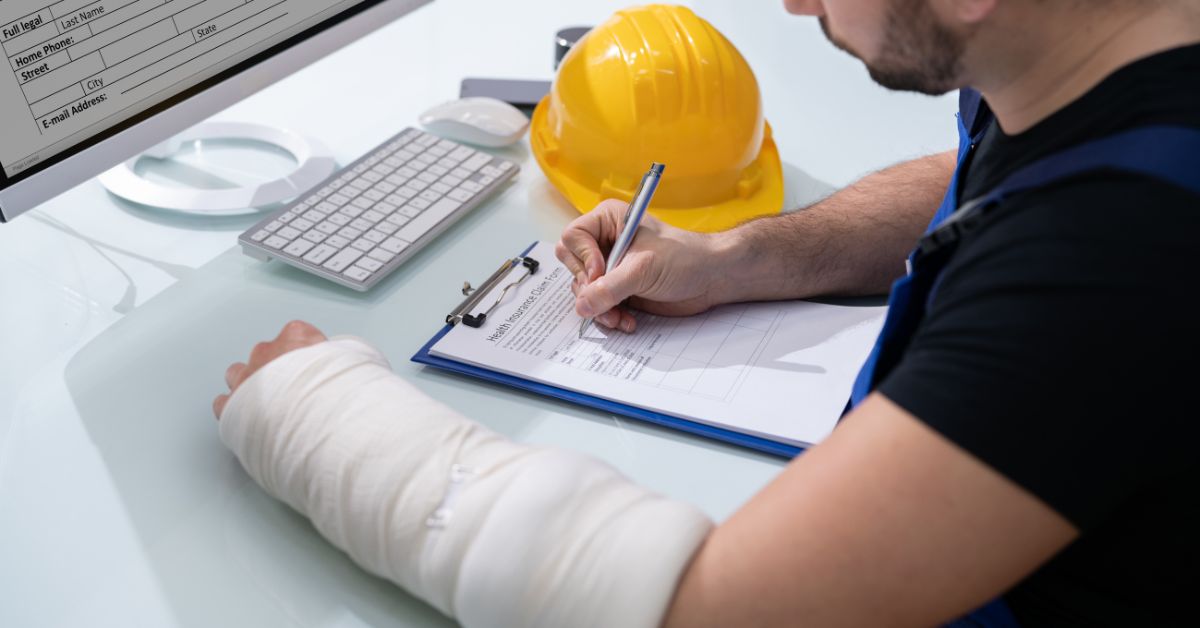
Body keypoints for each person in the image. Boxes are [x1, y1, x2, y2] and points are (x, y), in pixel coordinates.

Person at [212, 0, 1200, 626]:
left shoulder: (1119, 257)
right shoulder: (1108, 47)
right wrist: (748, 255)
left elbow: (697, 608)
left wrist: (312, 410)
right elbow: (991, 175)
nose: (797, 1)